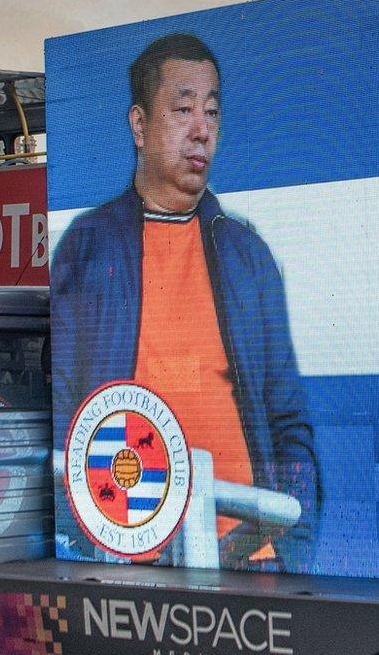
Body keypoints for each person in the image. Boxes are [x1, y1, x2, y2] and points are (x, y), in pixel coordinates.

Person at [53, 32, 318, 571]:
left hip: (251, 563)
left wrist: (290, 533)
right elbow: (61, 409)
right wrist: (90, 538)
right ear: (139, 125)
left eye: (212, 112)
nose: (202, 129)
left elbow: (289, 420)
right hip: (129, 558)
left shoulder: (247, 256)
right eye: (182, 109)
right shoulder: (89, 248)